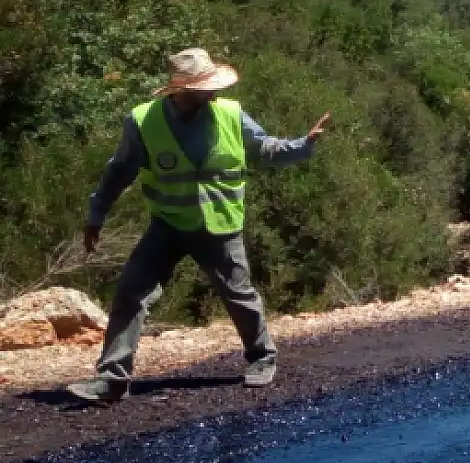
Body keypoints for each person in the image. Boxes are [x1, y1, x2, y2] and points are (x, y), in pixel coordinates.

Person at [66, 48, 330, 404]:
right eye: (207, 86)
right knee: (131, 292)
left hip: (218, 224)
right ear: (182, 90)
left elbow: (263, 148)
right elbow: (119, 170)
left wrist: (302, 145)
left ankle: (262, 357)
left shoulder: (230, 114)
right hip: (168, 223)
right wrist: (96, 213)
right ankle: (112, 379)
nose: (215, 92)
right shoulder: (143, 121)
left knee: (238, 294)